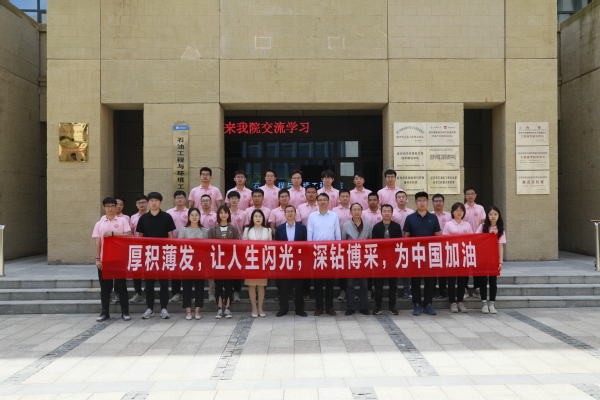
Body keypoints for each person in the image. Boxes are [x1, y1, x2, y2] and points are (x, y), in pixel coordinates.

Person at [135, 192, 176, 319]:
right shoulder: (143, 218)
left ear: (160, 202)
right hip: (149, 255)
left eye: (156, 200)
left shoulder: (167, 217)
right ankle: (150, 309)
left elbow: (170, 235)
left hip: (163, 254)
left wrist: (170, 251)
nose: (154, 203)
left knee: (164, 283)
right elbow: (140, 237)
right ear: (148, 202)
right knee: (149, 284)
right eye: (151, 200)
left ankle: (164, 308)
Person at [92, 197, 132, 322]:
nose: (110, 208)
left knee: (121, 286)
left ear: (116, 207)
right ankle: (104, 312)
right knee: (105, 288)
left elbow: (129, 235)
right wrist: (97, 259)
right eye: (108, 206)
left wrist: (114, 234)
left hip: (119, 259)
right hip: (105, 260)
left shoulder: (122, 220)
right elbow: (97, 242)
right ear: (104, 208)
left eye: (113, 206)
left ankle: (125, 312)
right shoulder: (99, 223)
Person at [403, 191, 441, 316]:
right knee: (415, 281)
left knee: (430, 281)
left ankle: (428, 304)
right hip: (415, 255)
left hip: (430, 255)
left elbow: (437, 237)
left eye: (424, 200)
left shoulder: (433, 218)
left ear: (428, 202)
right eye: (419, 201)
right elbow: (406, 237)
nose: (422, 203)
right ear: (415, 203)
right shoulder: (410, 218)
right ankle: (417, 305)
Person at [308, 193, 341, 316]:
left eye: (324, 200)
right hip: (317, 252)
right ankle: (319, 307)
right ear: (317, 202)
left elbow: (337, 233)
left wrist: (337, 250)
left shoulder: (334, 215)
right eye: (320, 200)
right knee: (317, 282)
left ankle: (329, 307)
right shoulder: (312, 216)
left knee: (330, 282)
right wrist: (310, 251)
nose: (322, 202)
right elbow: (309, 234)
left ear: (328, 202)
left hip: (331, 252)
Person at [274, 205, 308, 317]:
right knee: (284, 286)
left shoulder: (302, 228)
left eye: (292, 211)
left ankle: (299, 309)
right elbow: (277, 247)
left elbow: (305, 245)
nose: (290, 213)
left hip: (298, 261)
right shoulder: (279, 228)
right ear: (284, 214)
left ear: (295, 214)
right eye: (287, 211)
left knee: (299, 286)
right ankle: (283, 309)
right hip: (284, 261)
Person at [209, 205, 240, 319]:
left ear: (228, 214)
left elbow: (237, 245)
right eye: (221, 213)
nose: (223, 215)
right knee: (218, 285)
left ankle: (227, 308)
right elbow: (209, 246)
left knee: (228, 285)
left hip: (230, 261)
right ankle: (219, 308)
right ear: (218, 215)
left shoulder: (234, 229)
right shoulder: (213, 229)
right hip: (217, 262)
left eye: (225, 212)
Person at [442, 202, 473, 313]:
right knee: (451, 280)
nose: (459, 213)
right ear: (452, 212)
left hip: (463, 256)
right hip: (451, 255)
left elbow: (471, 240)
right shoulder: (448, 224)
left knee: (462, 280)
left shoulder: (467, 225)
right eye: (456, 210)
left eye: (461, 211)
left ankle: (460, 302)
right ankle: (452, 302)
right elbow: (445, 240)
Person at [341, 203, 372, 315]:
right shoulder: (345, 225)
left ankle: (363, 307)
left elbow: (371, 242)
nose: (357, 211)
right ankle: (351, 307)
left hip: (364, 258)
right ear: (350, 212)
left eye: (359, 209)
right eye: (354, 209)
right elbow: (343, 243)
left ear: (362, 211)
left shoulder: (368, 225)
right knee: (350, 284)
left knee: (364, 284)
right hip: (351, 258)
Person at [178, 208, 208, 320]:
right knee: (187, 287)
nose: (194, 217)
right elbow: (180, 246)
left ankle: (197, 310)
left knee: (200, 286)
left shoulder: (204, 231)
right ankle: (188, 310)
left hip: (200, 262)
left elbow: (207, 247)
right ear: (188, 217)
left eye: (196, 215)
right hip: (187, 261)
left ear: (200, 216)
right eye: (192, 215)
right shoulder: (183, 230)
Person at [372, 204, 402, 316]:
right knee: (378, 284)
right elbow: (374, 243)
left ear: (392, 213)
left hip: (393, 260)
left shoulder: (396, 226)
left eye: (389, 211)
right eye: (384, 211)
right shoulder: (376, 227)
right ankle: (378, 306)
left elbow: (399, 242)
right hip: (380, 260)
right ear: (381, 213)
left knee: (393, 284)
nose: (387, 213)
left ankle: (392, 306)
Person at [476, 206, 506, 314]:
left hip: (494, 259)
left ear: (498, 216)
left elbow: (500, 246)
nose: (493, 216)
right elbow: (476, 240)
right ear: (487, 216)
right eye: (491, 214)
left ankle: (492, 304)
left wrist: (500, 262)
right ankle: (484, 304)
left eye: (495, 214)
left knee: (493, 282)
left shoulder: (500, 229)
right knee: (483, 281)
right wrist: (488, 236)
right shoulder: (482, 227)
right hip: (483, 258)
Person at [243, 209, 271, 317]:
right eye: (256, 216)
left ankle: (260, 308)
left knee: (261, 285)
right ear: (252, 218)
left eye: (260, 216)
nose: (258, 218)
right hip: (251, 260)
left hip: (263, 261)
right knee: (251, 285)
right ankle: (254, 308)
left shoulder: (268, 230)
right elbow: (244, 246)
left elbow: (270, 246)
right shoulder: (247, 230)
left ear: (263, 218)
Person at [462, 186, 485, 298]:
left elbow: (483, 223)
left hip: (478, 241)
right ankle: (464, 288)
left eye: (472, 193)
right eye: (468, 194)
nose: (470, 196)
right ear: (464, 196)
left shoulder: (480, 208)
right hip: (465, 242)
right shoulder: (462, 208)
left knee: (477, 265)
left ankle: (477, 288)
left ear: (475, 195)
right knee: (465, 265)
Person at [166, 190, 189, 303]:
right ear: (174, 199)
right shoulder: (169, 212)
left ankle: (186, 292)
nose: (180, 199)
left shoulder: (190, 212)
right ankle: (176, 293)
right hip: (173, 245)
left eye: (182, 197)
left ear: (185, 199)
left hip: (187, 245)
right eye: (178, 197)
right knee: (175, 269)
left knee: (186, 268)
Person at [297, 184, 319, 300]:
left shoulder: (321, 206)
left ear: (316, 194)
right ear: (305, 194)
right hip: (304, 241)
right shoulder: (300, 207)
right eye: (308, 192)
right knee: (305, 267)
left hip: (318, 241)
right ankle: (305, 291)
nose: (311, 194)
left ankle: (317, 292)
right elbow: (298, 223)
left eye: (313, 192)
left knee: (317, 267)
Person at [226, 191, 246, 302]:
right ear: (228, 200)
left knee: (237, 268)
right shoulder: (224, 213)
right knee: (228, 269)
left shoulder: (244, 214)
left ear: (239, 200)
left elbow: (246, 228)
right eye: (231, 198)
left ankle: (237, 292)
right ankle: (228, 292)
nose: (233, 200)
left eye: (235, 198)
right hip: (226, 245)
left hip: (240, 244)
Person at [333, 189, 352, 301]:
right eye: (342, 196)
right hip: (339, 243)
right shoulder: (334, 210)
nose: (345, 198)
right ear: (339, 198)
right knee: (341, 267)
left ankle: (351, 292)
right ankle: (342, 291)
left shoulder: (354, 209)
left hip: (352, 243)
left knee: (351, 268)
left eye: (347, 196)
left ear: (349, 197)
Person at [431, 193, 451, 300]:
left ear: (444, 203)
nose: (438, 203)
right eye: (436, 201)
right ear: (432, 203)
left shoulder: (449, 216)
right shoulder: (429, 215)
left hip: (445, 246)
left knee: (444, 269)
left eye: (440, 201)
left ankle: (443, 290)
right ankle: (433, 291)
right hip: (432, 246)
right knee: (433, 269)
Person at [129, 194, 148, 304]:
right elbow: (131, 232)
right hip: (137, 247)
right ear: (136, 204)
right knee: (136, 271)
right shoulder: (133, 217)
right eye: (139, 203)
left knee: (148, 270)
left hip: (149, 248)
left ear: (147, 203)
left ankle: (147, 291)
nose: (142, 204)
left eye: (143, 202)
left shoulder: (152, 215)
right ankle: (138, 293)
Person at [199, 194, 218, 302]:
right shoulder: (196, 215)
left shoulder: (216, 216)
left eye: (207, 200)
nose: (205, 202)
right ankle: (198, 294)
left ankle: (211, 293)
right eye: (203, 201)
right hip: (199, 248)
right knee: (198, 270)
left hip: (212, 247)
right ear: (200, 203)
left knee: (211, 271)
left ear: (211, 203)